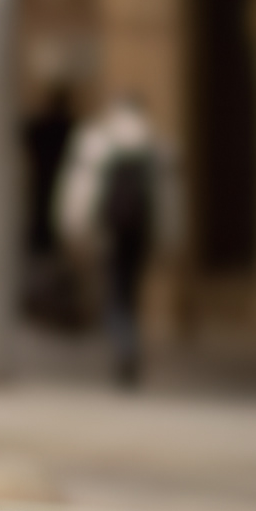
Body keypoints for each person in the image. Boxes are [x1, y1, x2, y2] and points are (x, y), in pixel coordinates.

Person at [55, 91, 170, 388]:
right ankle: (130, 343)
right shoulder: (155, 143)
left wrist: (74, 228)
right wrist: (170, 237)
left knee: (115, 292)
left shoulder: (98, 141)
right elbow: (169, 197)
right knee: (130, 291)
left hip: (109, 230)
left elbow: (82, 190)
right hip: (141, 232)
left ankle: (124, 346)